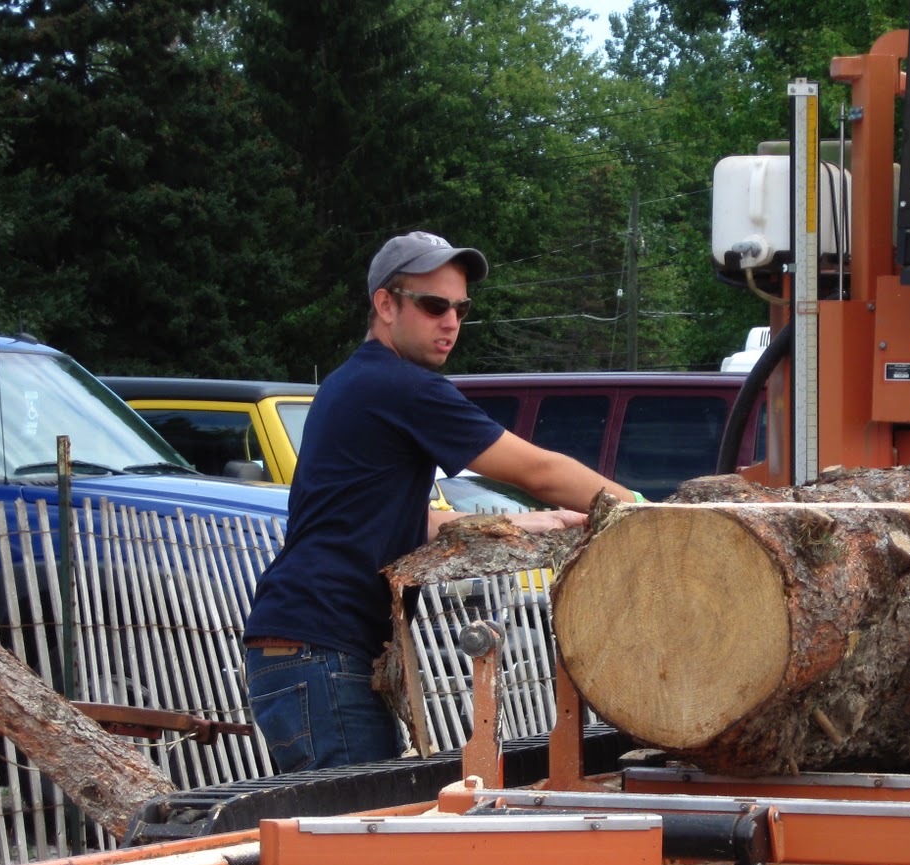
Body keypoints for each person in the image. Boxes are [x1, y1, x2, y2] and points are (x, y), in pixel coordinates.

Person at [243, 230, 635, 773]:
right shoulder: (401, 387)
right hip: (321, 653)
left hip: (300, 652)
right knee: (359, 845)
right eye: (433, 306)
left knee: (352, 839)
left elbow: (394, 517)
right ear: (385, 304)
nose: (450, 321)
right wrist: (645, 512)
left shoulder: (350, 382)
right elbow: (538, 470)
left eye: (459, 308)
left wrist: (524, 521)